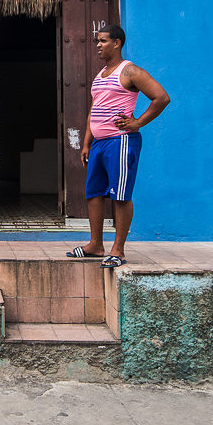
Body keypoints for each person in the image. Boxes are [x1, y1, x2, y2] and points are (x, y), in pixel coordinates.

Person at [67, 25, 170, 267]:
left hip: (121, 142)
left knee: (120, 195)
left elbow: (161, 97)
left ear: (117, 43)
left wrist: (138, 123)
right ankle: (95, 245)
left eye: (103, 41)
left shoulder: (130, 71)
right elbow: (95, 108)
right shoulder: (101, 73)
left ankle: (118, 250)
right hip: (99, 144)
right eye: (97, 42)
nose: (98, 45)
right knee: (94, 194)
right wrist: (86, 143)